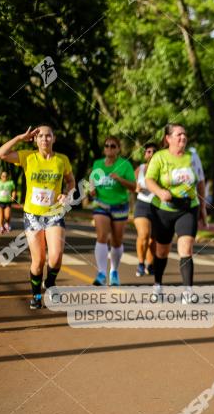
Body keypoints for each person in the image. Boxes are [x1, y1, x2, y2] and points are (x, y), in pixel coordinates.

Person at [0, 126, 76, 309]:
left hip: (54, 213)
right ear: (35, 140)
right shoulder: (28, 157)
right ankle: (37, 295)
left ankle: (50, 283)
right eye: (40, 136)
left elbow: (71, 181)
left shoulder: (61, 160)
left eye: (48, 136)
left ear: (53, 139)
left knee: (55, 258)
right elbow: (0, 154)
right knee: (38, 261)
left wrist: (67, 194)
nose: (44, 139)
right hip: (33, 216)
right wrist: (19, 137)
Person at [144, 124, 207, 304]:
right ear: (168, 138)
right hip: (163, 210)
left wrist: (202, 208)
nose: (183, 138)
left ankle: (188, 291)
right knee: (162, 251)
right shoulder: (159, 157)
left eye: (184, 135)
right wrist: (160, 192)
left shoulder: (193, 157)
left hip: (188, 208)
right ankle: (158, 285)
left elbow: (201, 182)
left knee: (186, 249)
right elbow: (149, 180)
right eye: (178, 135)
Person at [88, 136, 136, 286]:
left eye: (113, 146)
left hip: (120, 206)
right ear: (104, 148)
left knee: (117, 241)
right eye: (107, 145)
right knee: (102, 235)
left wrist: (119, 179)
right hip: (101, 204)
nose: (109, 148)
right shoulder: (97, 164)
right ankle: (101, 273)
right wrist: (92, 189)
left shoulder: (125, 165)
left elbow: (133, 187)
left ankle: (114, 271)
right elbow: (91, 181)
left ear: (118, 149)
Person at [134, 142, 158, 277]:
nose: (152, 153)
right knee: (143, 235)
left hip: (157, 206)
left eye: (154, 151)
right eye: (148, 151)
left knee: (153, 239)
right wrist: (136, 188)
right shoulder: (140, 169)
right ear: (145, 155)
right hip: (142, 205)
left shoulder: (162, 169)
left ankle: (150, 264)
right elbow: (133, 185)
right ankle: (141, 263)